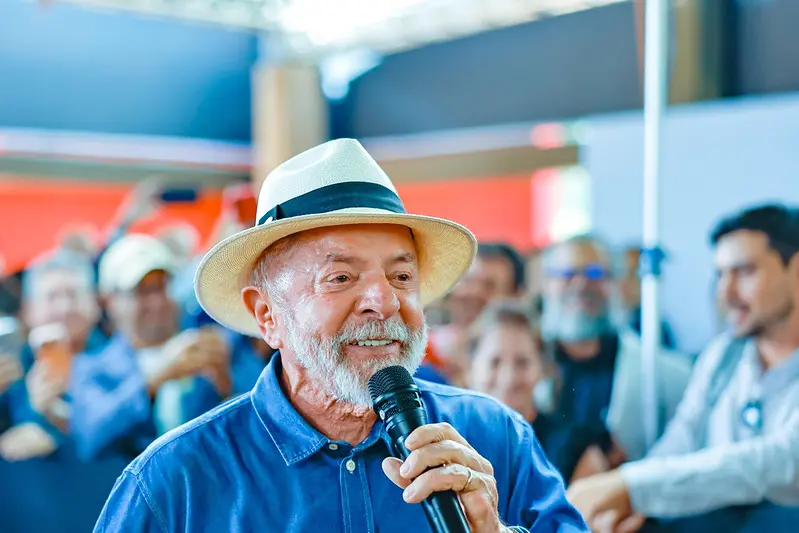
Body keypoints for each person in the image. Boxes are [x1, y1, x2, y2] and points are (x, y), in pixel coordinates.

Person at [93, 139, 588, 532]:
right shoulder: (174, 481)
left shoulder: (494, 437)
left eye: (401, 276)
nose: (384, 302)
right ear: (267, 315)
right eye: (341, 277)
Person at [568, 204, 799, 533]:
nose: (726, 293)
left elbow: (782, 463)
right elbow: (681, 441)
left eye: (745, 272)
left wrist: (632, 486)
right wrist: (633, 506)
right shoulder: (724, 357)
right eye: (721, 274)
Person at [69, 234, 230, 461]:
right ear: (109, 301)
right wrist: (156, 379)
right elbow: (90, 436)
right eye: (142, 291)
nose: (157, 301)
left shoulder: (205, 345)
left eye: (162, 287)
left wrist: (225, 382)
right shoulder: (92, 367)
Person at [538, 235, 691, 462]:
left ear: (617, 283)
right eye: (567, 274)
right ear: (545, 284)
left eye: (595, 273)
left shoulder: (668, 374)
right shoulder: (518, 365)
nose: (581, 284)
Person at [469, 301, 612, 483]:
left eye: (522, 362)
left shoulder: (576, 449)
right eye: (495, 362)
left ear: (543, 369)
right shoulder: (450, 439)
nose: (508, 378)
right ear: (471, 367)